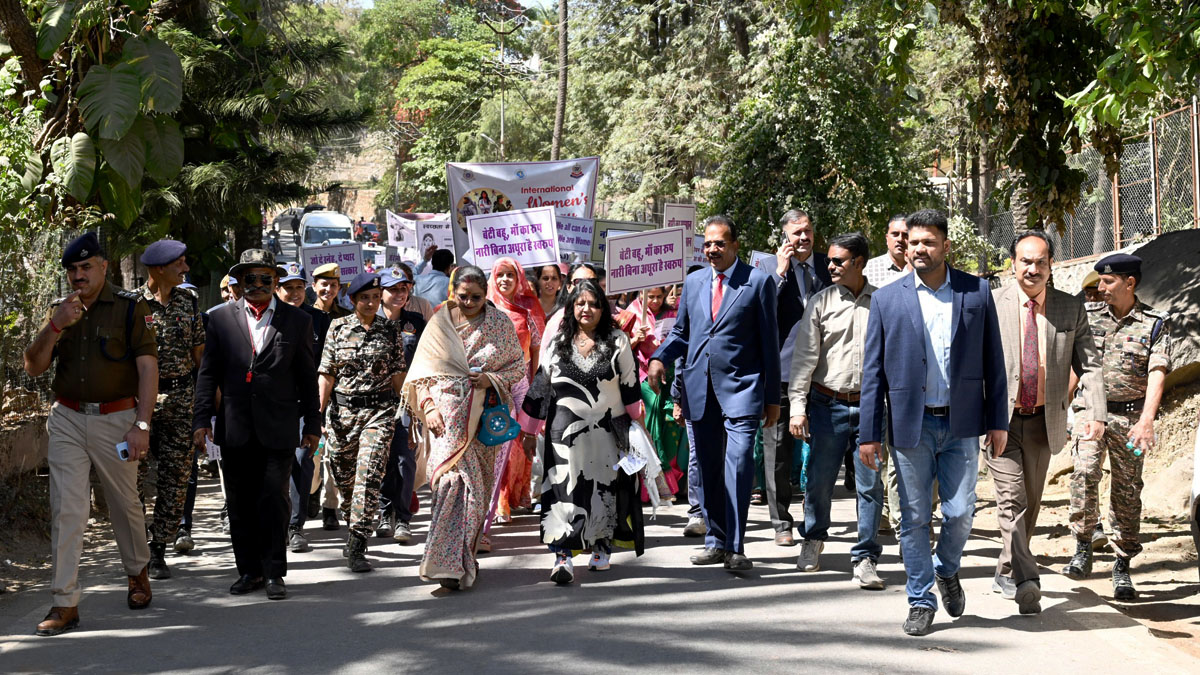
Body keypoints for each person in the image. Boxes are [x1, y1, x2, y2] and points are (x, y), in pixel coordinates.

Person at [858, 209, 1008, 636]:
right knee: (914, 515)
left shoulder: (975, 292)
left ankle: (946, 568)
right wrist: (869, 434)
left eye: (927, 242)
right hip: (910, 426)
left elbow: (994, 362)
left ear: (945, 246)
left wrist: (998, 420)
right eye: (912, 241)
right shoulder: (888, 299)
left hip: (962, 424)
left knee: (961, 512)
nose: (917, 248)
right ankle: (920, 599)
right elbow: (873, 373)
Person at [23, 233, 158, 636]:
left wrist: (142, 425)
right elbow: (32, 367)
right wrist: (55, 325)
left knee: (124, 504)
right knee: (67, 508)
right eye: (72, 270)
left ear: (103, 266)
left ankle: (137, 573)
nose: (78, 276)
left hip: (117, 420)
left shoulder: (131, 309)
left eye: (86, 267)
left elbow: (148, 369)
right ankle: (65, 602)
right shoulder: (58, 310)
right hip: (66, 416)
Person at [647, 215, 781, 572]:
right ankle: (716, 541)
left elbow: (770, 343)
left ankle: (736, 547)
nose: (712, 250)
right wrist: (660, 358)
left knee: (737, 465)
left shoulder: (757, 282)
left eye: (719, 243)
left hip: (742, 388)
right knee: (707, 468)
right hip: (699, 390)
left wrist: (773, 399)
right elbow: (681, 333)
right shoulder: (693, 283)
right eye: (707, 244)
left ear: (735, 244)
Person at [988, 232, 1106, 614]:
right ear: (1013, 264)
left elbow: (1089, 364)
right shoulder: (991, 305)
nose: (1032, 269)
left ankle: (1006, 568)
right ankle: (1027, 579)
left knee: (1032, 503)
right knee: (1012, 502)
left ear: (1051, 265)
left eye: (1040, 262)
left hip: (1043, 421)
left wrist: (1096, 413)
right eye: (1025, 261)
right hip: (999, 421)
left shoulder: (1069, 308)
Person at [193, 249, 321, 600]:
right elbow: (208, 376)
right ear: (239, 281)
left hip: (278, 426)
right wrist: (201, 420)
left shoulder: (297, 321)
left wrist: (313, 422)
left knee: (273, 499)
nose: (259, 284)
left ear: (275, 281)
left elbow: (308, 378)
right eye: (251, 278)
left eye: (266, 277)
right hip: (235, 427)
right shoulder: (219, 320)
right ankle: (248, 571)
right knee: (239, 502)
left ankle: (274, 573)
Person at [402, 266, 526, 590]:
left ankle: (463, 559)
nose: (469, 302)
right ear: (452, 292)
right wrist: (428, 407)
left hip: (483, 422)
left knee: (476, 496)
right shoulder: (439, 323)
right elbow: (421, 373)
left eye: (476, 297)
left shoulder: (499, 324)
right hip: (445, 421)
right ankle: (443, 563)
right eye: (463, 296)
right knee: (449, 485)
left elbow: (516, 367)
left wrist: (490, 379)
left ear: (486, 295)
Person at [1062, 253, 1171, 601]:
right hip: (1090, 412)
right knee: (1084, 470)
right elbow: (1078, 366)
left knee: (1127, 489)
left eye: (1108, 281)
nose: (1101, 287)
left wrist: (1147, 421)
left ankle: (1122, 564)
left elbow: (1157, 373)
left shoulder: (1155, 323)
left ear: (1130, 283)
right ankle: (1083, 543)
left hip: (1132, 418)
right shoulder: (1089, 317)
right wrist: (1062, 408)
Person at [522, 280, 645, 583]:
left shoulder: (618, 341)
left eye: (593, 304)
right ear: (571, 308)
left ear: (603, 308)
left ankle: (601, 547)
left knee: (603, 491)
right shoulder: (557, 343)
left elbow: (630, 385)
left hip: (608, 433)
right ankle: (562, 557)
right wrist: (528, 431)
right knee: (562, 492)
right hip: (562, 436)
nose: (586, 309)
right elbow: (540, 386)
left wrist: (637, 428)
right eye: (580, 304)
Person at [787, 233, 885, 589]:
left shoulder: (883, 303)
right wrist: (798, 408)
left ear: (859, 262)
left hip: (872, 409)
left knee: (870, 485)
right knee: (818, 481)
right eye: (828, 260)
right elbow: (803, 361)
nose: (829, 266)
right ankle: (813, 539)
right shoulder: (819, 303)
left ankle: (866, 557)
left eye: (838, 261)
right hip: (826, 405)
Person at [318, 273, 407, 572]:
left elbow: (398, 376)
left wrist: (410, 409)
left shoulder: (390, 330)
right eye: (363, 298)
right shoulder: (337, 328)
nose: (370, 302)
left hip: (379, 413)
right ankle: (353, 519)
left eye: (374, 296)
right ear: (353, 300)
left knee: (369, 475)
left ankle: (357, 542)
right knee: (345, 478)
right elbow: (327, 374)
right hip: (343, 416)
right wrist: (317, 414)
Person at [133, 240, 205, 580]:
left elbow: (199, 356)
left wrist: (205, 406)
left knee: (176, 480)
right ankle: (136, 549)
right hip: (139, 405)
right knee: (131, 481)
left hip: (181, 401)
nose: (186, 268)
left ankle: (158, 549)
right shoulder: (131, 306)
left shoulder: (188, 301)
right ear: (159, 268)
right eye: (180, 263)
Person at [766, 209, 830, 546]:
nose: (802, 238)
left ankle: (815, 516)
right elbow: (761, 312)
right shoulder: (769, 270)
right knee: (778, 450)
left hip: (823, 373)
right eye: (795, 234)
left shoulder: (827, 265)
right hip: (782, 372)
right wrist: (780, 273)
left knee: (821, 447)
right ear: (784, 238)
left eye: (807, 231)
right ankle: (781, 523)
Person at [272, 264, 327, 553]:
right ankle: (275, 523)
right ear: (277, 290)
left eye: (298, 287)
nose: (294, 293)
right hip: (275, 405)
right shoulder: (268, 320)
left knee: (303, 459)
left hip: (307, 403)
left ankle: (295, 526)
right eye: (288, 287)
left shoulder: (318, 318)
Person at [488, 257, 547, 524]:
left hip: (522, 384)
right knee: (499, 441)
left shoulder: (529, 307)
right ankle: (499, 502)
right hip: (493, 385)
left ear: (519, 278)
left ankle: (514, 495)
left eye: (510, 275)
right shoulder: (485, 306)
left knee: (519, 442)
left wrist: (537, 386)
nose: (504, 280)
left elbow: (537, 349)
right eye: (500, 275)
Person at [863, 214, 910, 534]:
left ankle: (911, 510)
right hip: (878, 369)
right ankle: (884, 509)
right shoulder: (870, 270)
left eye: (906, 234)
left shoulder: (925, 268)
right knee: (880, 442)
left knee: (909, 445)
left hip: (912, 371)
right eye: (895, 234)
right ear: (886, 237)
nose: (901, 240)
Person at [616, 286, 682, 502]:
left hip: (670, 376)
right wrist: (635, 339)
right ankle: (651, 487)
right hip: (643, 377)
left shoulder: (671, 313)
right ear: (640, 295)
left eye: (658, 297)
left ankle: (669, 482)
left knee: (669, 429)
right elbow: (618, 350)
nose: (654, 301)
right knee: (650, 431)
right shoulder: (630, 313)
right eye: (650, 296)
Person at [376, 269, 427, 543]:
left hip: (407, 402)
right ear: (381, 293)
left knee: (405, 459)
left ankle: (403, 518)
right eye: (393, 289)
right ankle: (384, 514)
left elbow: (428, 358)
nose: (399, 294)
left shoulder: (416, 322)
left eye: (403, 289)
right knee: (381, 460)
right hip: (376, 403)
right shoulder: (370, 321)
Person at [309, 262, 348, 530]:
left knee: (335, 453)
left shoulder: (346, 317)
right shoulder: (303, 317)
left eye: (333, 285)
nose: (329, 289)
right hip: (309, 393)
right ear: (314, 286)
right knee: (311, 453)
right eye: (324, 284)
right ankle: (310, 493)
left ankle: (330, 506)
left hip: (340, 395)